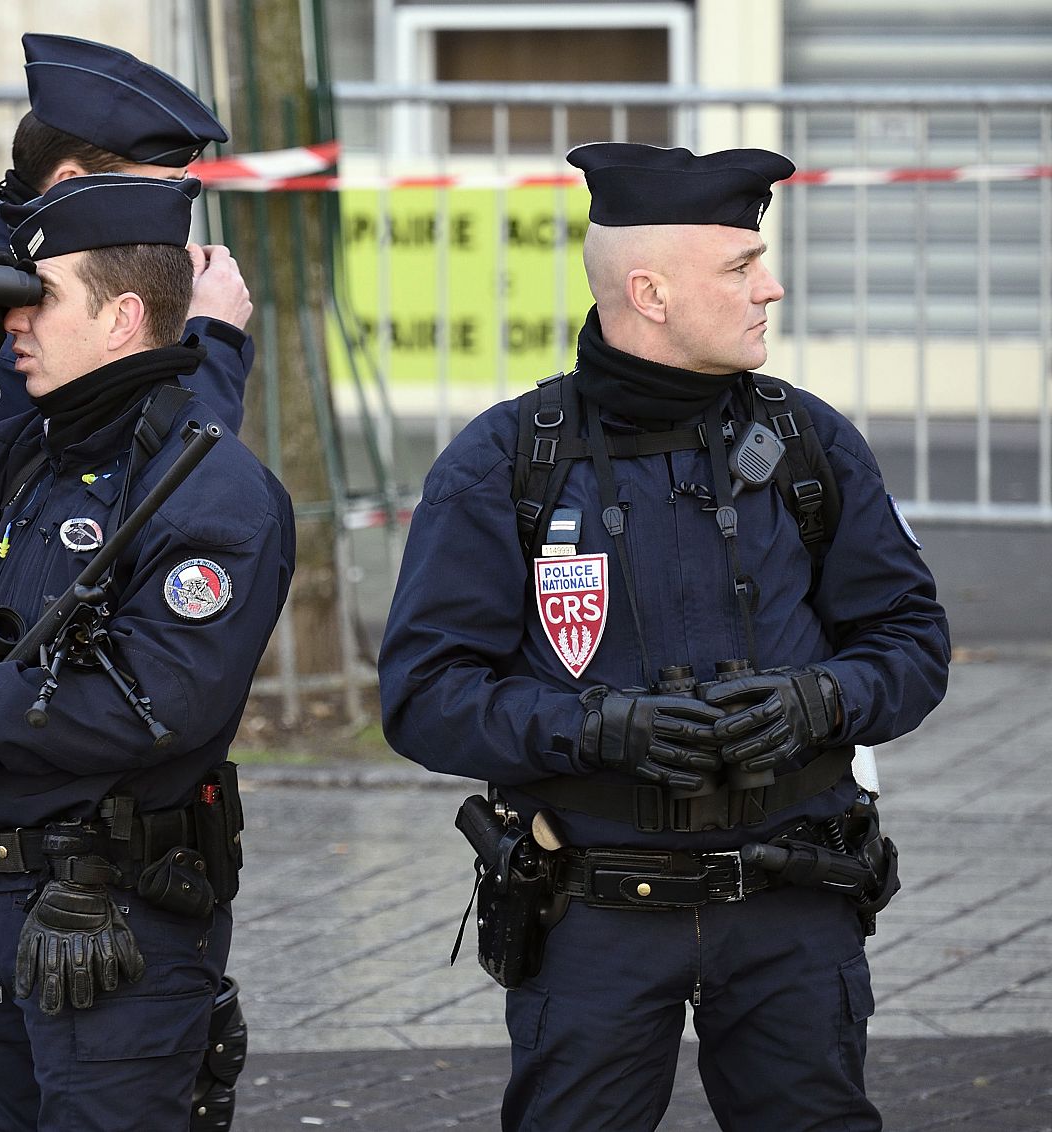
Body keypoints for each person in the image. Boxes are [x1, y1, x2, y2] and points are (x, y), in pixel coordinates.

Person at [377, 143, 949, 1131]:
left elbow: (911, 642)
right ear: (648, 289)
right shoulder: (507, 460)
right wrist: (589, 730)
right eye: (738, 266)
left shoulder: (811, 444)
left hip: (793, 897)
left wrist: (824, 699)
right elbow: (423, 696)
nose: (769, 286)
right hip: (592, 908)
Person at [0, 172, 295, 1132]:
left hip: (112, 923)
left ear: (123, 318)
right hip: (1, 901)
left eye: (42, 298)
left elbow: (160, 702)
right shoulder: (42, 454)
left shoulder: (208, 488)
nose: (18, 322)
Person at [0, 32, 252, 434]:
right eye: (160, 187)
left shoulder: (23, 275)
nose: (174, 208)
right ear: (67, 181)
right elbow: (173, 478)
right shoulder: (13, 321)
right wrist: (214, 333)